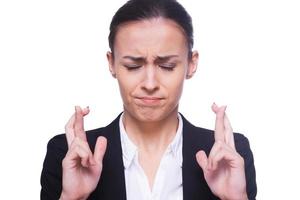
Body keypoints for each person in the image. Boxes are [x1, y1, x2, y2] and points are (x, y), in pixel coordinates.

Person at [40, 0, 257, 199]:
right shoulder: (68, 155)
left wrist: (235, 199)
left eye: (167, 66)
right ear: (111, 63)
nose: (150, 83)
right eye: (133, 66)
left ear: (191, 63)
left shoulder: (230, 156)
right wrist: (72, 198)